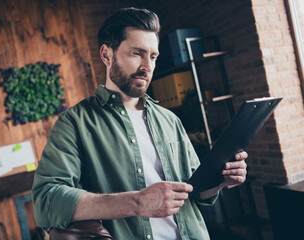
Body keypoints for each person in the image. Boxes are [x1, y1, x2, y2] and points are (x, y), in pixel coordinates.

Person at [32, 7, 248, 240]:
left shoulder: (170, 119)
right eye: (137, 53)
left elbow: (195, 193)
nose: (148, 66)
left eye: (153, 56)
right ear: (106, 55)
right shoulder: (74, 123)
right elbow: (46, 201)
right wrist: (136, 202)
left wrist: (220, 181)